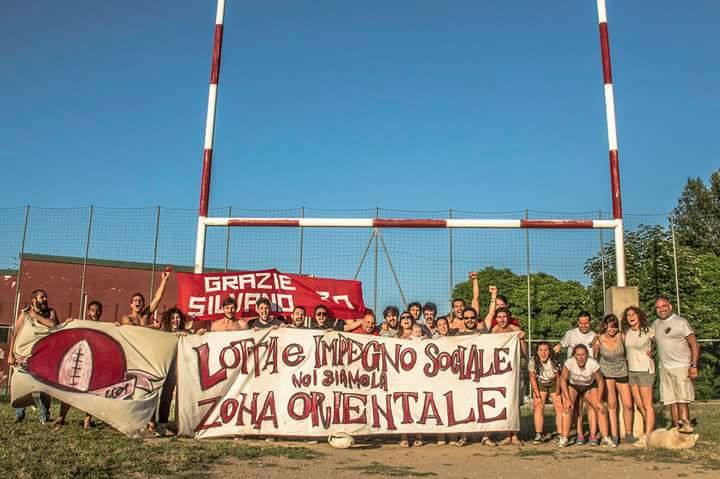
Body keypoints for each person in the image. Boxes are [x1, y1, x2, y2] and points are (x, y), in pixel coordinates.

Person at [9, 289, 58, 424]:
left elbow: (53, 325)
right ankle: (19, 414)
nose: (45, 299)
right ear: (34, 300)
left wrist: (36, 316)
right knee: (21, 385)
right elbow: (15, 333)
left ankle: (44, 414)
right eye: (42, 297)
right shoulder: (24, 314)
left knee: (42, 386)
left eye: (46, 297)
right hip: (22, 356)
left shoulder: (51, 313)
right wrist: (10, 355)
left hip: (42, 357)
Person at [53, 301, 103, 430]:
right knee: (70, 389)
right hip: (80, 361)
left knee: (92, 393)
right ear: (88, 311)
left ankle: (87, 421)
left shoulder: (104, 327)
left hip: (95, 363)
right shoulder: (81, 325)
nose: (95, 313)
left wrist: (116, 327)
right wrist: (68, 323)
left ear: (101, 312)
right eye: (92, 310)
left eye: (97, 310)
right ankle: (61, 417)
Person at [653, 297, 699, 433]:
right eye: (658, 307)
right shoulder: (655, 324)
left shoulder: (681, 322)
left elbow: (694, 345)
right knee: (671, 401)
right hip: (664, 367)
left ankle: (686, 429)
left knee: (682, 400)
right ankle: (676, 429)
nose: (661, 309)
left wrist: (694, 365)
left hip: (681, 367)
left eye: (664, 306)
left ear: (670, 306)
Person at [554, 311, 598, 445]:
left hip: (590, 376)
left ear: (590, 322)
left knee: (592, 406)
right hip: (573, 377)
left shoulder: (595, 336)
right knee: (575, 406)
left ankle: (593, 435)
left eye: (586, 323)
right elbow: (559, 347)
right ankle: (579, 434)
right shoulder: (570, 334)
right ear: (577, 322)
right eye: (581, 323)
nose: (584, 325)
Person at [558, 344, 614, 448]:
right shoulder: (569, 362)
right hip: (573, 385)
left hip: (589, 385)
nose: (581, 357)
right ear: (574, 355)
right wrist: (567, 399)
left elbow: (600, 381)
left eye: (583, 355)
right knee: (567, 407)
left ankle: (606, 437)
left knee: (600, 407)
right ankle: (564, 438)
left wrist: (599, 400)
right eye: (578, 355)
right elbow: (563, 379)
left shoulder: (592, 363)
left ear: (587, 355)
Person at [593, 314, 633, 446]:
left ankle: (628, 433)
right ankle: (614, 435)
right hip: (606, 372)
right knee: (612, 404)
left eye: (615, 327)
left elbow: (631, 350)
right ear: (605, 326)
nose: (612, 330)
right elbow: (594, 359)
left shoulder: (621, 336)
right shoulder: (598, 339)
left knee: (628, 404)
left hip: (622, 371)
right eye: (610, 327)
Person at [622, 306, 656, 447]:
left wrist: (653, 351)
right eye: (628, 315)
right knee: (639, 404)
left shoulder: (649, 331)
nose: (631, 317)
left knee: (647, 404)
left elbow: (658, 343)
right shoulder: (627, 333)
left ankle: (648, 437)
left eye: (633, 314)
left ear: (639, 316)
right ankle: (649, 432)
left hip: (645, 370)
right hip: (632, 371)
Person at [492, 307, 525, 446]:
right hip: (500, 372)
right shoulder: (494, 331)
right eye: (499, 317)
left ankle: (515, 435)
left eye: (504, 316)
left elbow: (524, 352)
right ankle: (507, 434)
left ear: (508, 317)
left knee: (515, 402)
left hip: (515, 370)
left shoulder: (515, 330)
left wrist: (522, 340)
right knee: (504, 402)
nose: (502, 319)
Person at [529, 341, 563, 444]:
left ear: (550, 351)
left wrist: (557, 392)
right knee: (538, 405)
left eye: (546, 350)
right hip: (540, 382)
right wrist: (537, 394)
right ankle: (539, 434)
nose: (543, 353)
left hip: (554, 382)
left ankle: (560, 434)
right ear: (537, 352)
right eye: (541, 350)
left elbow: (559, 378)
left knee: (559, 406)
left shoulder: (555, 360)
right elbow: (532, 377)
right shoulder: (533, 360)